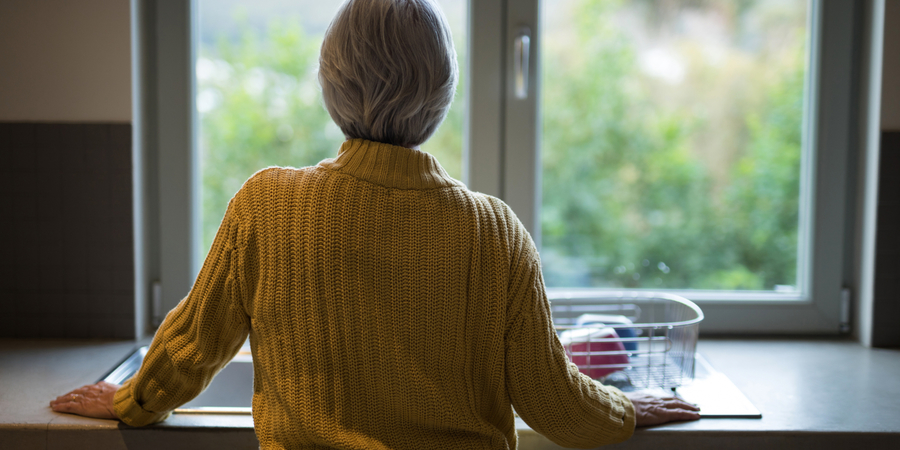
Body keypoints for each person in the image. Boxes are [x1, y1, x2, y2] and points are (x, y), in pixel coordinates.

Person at [50, 0, 700, 447]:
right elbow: (553, 402)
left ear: (332, 86)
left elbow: (192, 347)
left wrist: (132, 401)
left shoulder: (265, 205)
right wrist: (625, 411)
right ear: (442, 94)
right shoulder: (494, 234)